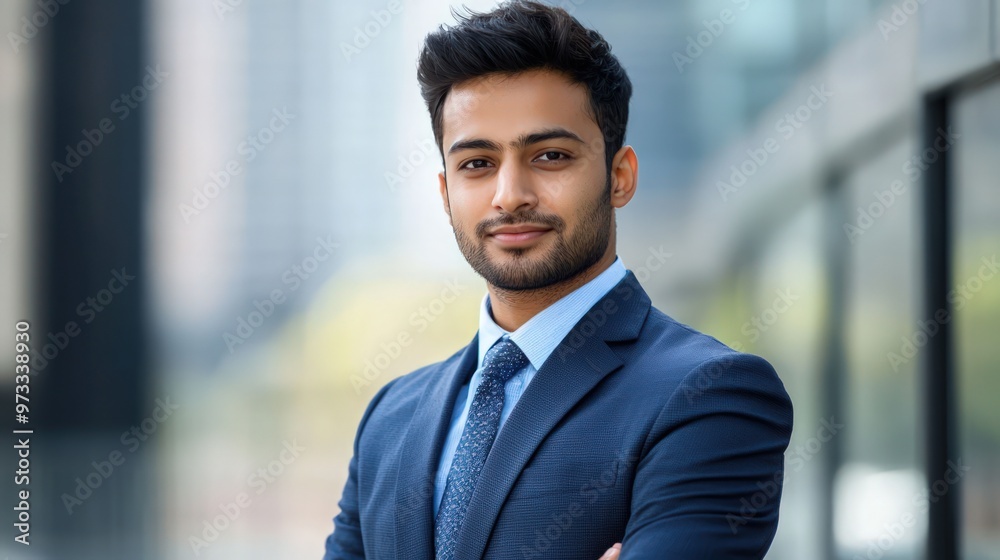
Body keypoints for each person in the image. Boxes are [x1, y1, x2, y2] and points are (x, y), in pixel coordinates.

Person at [323, 2, 793, 558]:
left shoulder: (710, 396)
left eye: (549, 155)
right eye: (477, 163)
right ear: (446, 193)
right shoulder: (391, 417)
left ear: (620, 177)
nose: (510, 195)